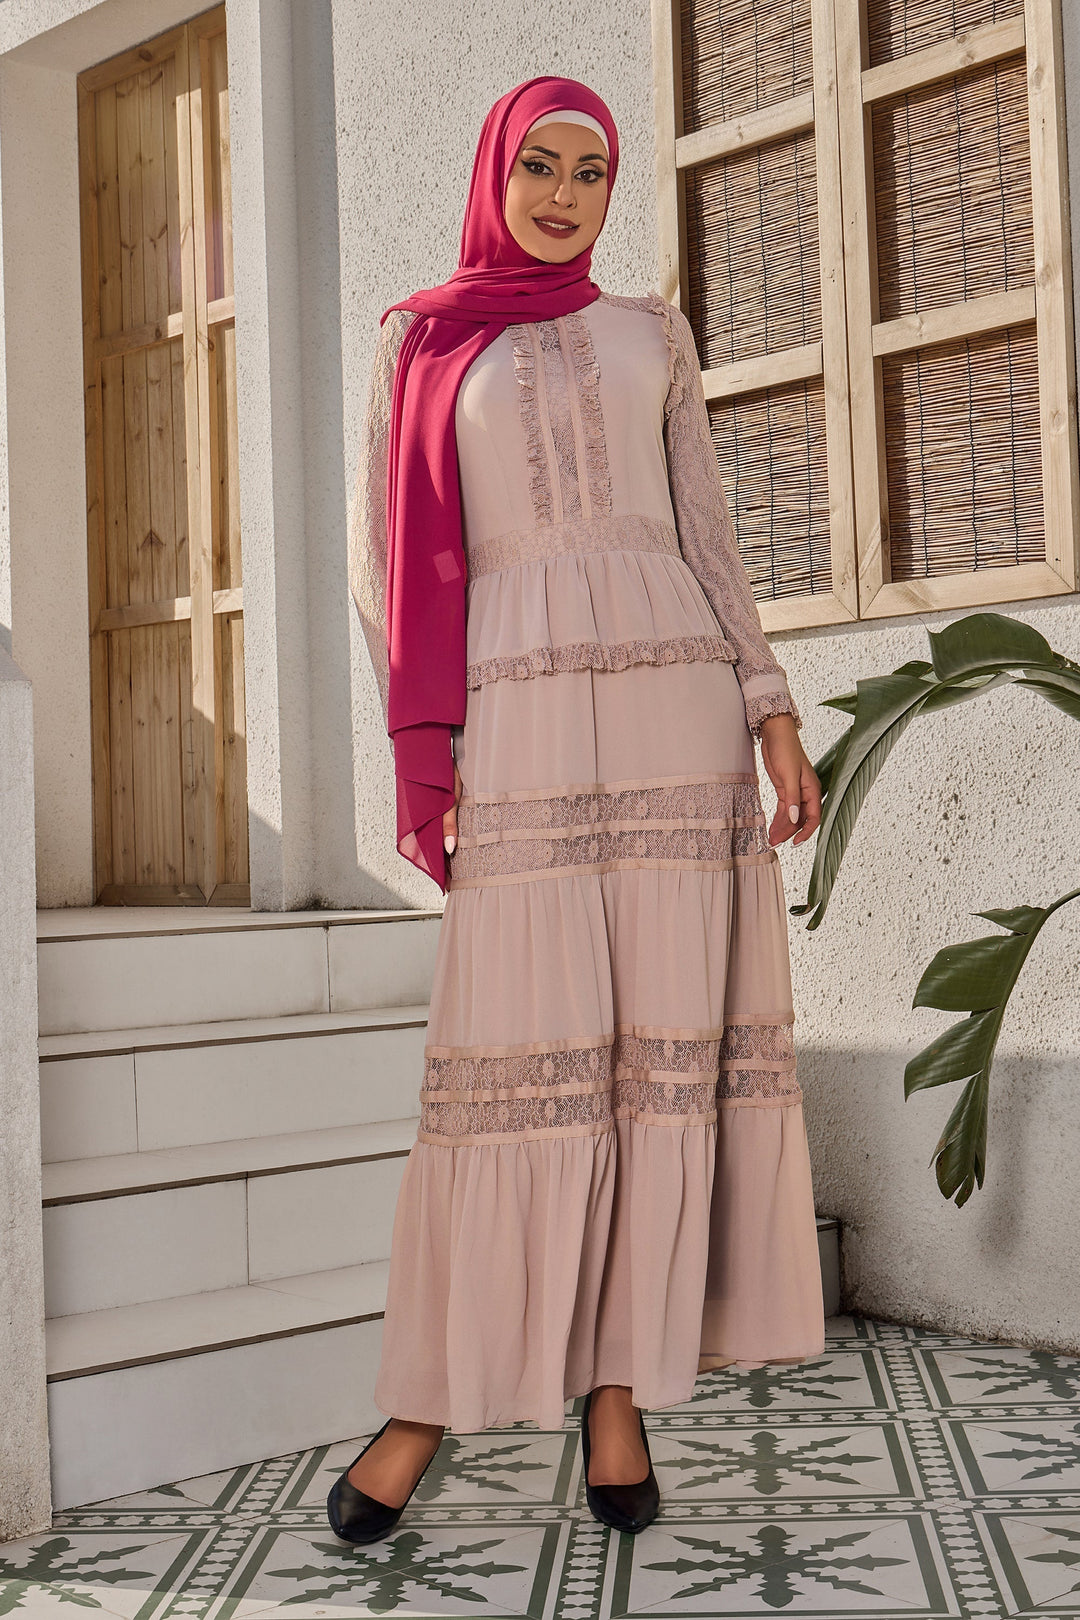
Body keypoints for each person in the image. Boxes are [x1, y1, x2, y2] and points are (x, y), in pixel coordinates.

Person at [329, 74, 826, 1544]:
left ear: (613, 193)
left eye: (591, 170)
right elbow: (385, 570)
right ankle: (426, 1404)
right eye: (538, 164)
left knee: (648, 1064)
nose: (562, 191)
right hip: (524, 723)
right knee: (517, 1067)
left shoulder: (648, 331)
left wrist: (773, 707)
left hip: (677, 716)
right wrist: (439, 754)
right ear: (497, 172)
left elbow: (709, 531)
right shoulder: (424, 343)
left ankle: (617, 1399)